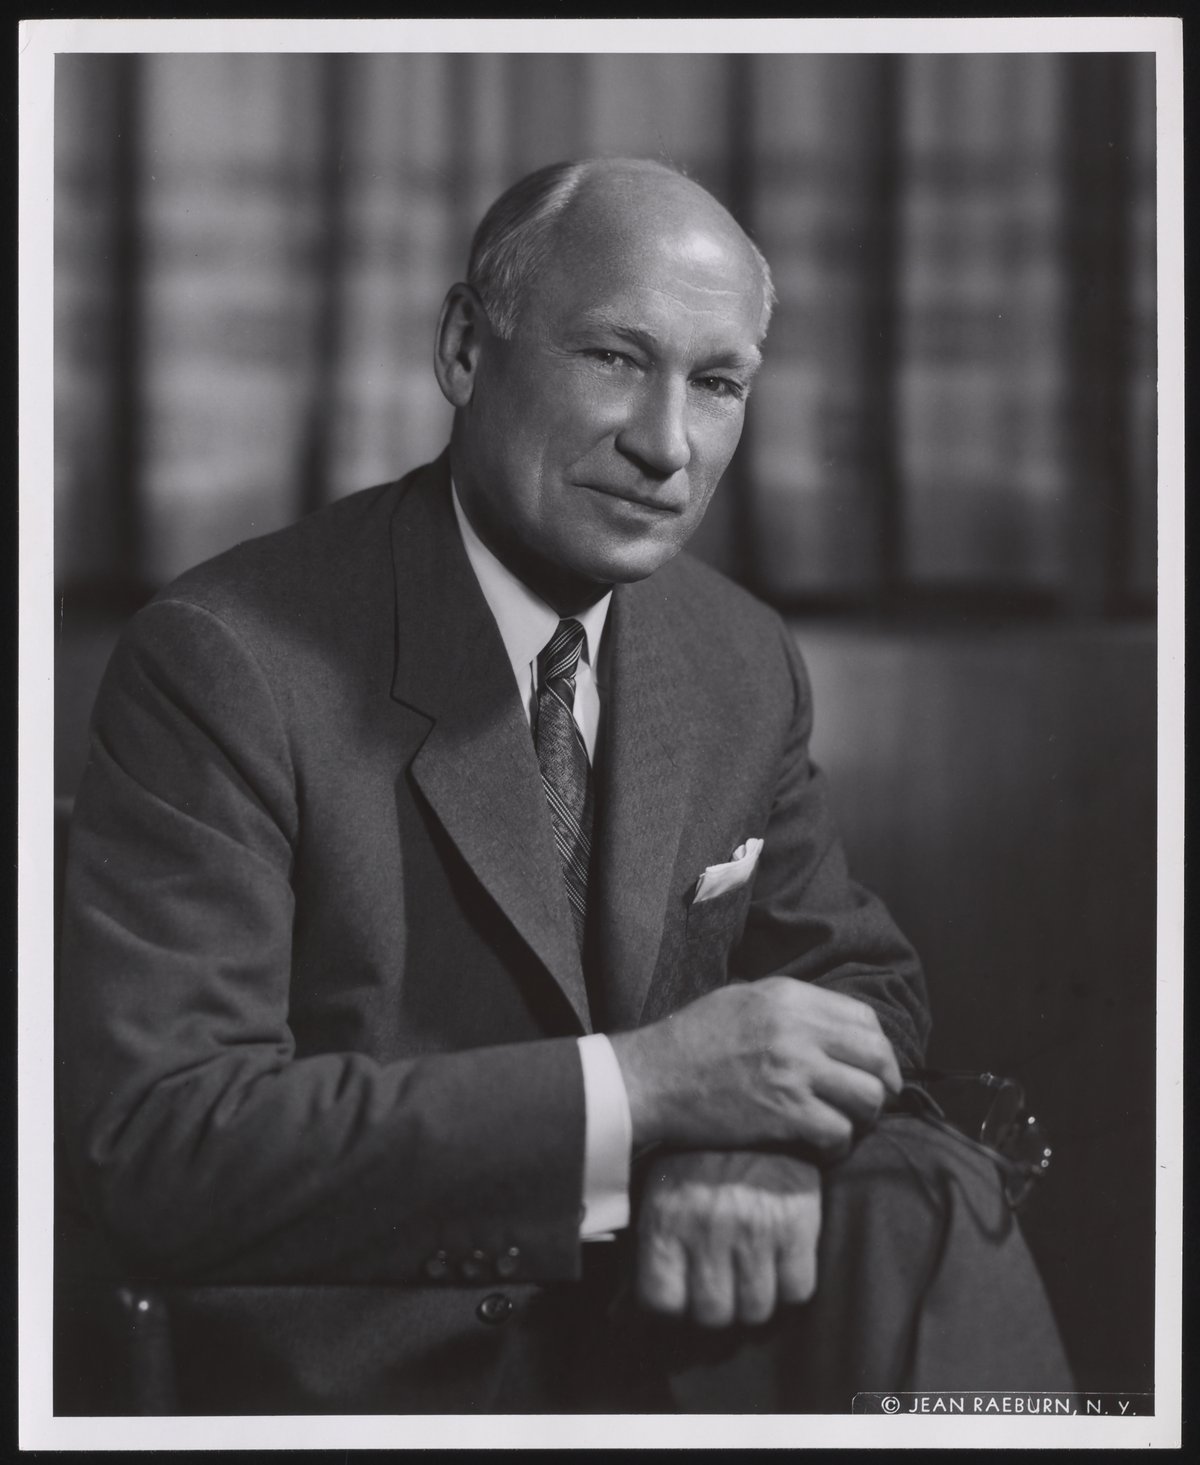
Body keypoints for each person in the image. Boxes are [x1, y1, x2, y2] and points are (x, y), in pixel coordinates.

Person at [57, 157, 1072, 1414]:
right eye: (613, 358)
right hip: (381, 1377)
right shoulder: (228, 658)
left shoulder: (735, 652)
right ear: (464, 350)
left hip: (677, 1331)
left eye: (717, 384)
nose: (665, 444)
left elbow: (861, 978)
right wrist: (645, 1092)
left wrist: (752, 1136)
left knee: (930, 1198)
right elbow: (162, 1142)